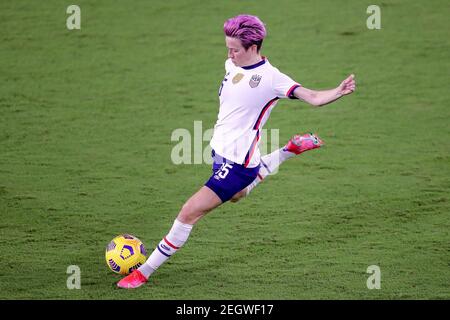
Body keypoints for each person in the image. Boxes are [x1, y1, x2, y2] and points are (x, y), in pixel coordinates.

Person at [117, 14, 356, 288]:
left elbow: (312, 97)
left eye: (235, 49)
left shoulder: (271, 78)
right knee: (237, 196)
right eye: (228, 47)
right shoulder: (231, 64)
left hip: (239, 164)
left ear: (253, 47)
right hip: (219, 153)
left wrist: (337, 91)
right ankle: (290, 149)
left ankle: (143, 273)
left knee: (189, 212)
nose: (229, 53)